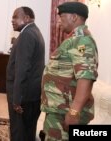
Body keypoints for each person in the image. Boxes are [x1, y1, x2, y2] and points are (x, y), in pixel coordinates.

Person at [41, 2, 98, 140]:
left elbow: (86, 77)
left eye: (62, 17)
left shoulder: (82, 40)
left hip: (65, 112)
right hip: (59, 110)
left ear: (74, 17)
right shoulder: (74, 39)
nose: (59, 22)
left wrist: (74, 111)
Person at [6, 7, 45, 141]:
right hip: (31, 95)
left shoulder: (27, 35)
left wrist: (17, 100)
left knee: (19, 133)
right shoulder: (35, 31)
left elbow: (22, 70)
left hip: (23, 98)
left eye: (15, 17)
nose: (12, 20)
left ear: (27, 18)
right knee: (28, 132)